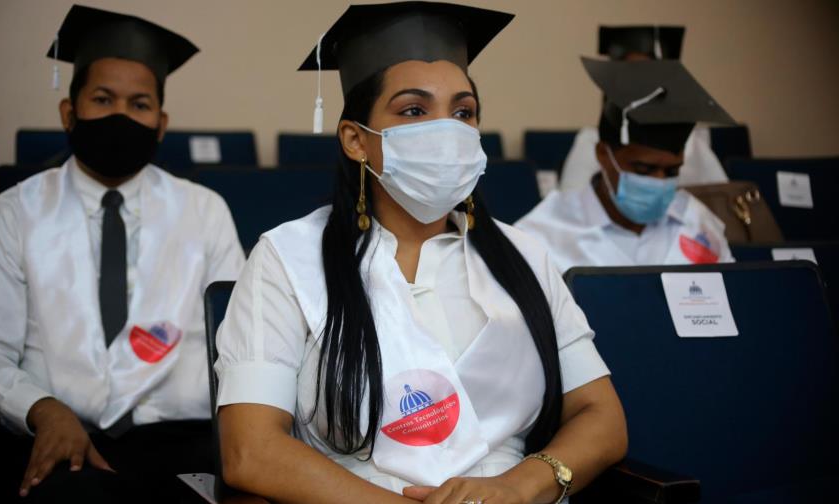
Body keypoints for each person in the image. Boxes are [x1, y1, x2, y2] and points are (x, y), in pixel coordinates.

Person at [215, 3, 627, 504]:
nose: (447, 129)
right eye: (414, 110)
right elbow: (250, 450)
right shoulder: (287, 258)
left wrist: (522, 485)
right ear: (356, 140)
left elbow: (601, 416)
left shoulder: (524, 254)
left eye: (463, 112)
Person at [0, 5, 245, 502]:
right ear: (69, 113)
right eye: (103, 99)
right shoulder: (13, 214)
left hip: (186, 441)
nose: (120, 117)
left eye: (140, 104)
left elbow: (235, 341)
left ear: (161, 123)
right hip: (59, 435)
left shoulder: (204, 210)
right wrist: (42, 408)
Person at [517, 57, 736, 273]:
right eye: (643, 169)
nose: (659, 182)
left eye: (672, 171)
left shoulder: (698, 222)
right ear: (603, 154)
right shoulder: (542, 234)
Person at [557, 25, 729, 191]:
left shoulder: (690, 143)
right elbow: (572, 205)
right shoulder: (592, 141)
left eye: (672, 170)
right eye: (643, 169)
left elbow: (724, 197)